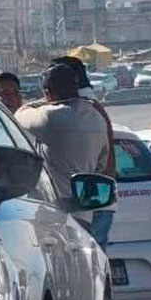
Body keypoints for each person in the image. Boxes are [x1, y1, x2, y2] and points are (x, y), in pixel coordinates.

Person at [15, 64, 112, 247]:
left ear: (47, 92)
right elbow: (101, 165)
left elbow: (19, 115)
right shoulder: (97, 118)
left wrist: (43, 102)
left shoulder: (49, 117)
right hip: (84, 213)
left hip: (53, 212)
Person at [49, 56, 116, 249]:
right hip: (99, 199)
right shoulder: (92, 105)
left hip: (88, 203)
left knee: (87, 266)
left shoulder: (81, 107)